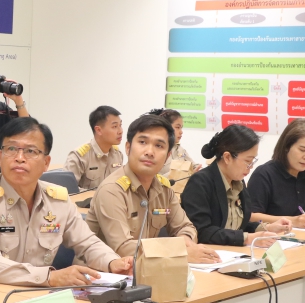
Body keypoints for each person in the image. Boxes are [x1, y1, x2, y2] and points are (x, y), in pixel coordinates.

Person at [0, 117, 132, 286]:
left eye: (30, 151)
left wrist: (113, 262)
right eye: (11, 149)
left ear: (46, 163)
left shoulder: (58, 200)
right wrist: (49, 277)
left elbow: (87, 243)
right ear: (0, 157)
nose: (19, 157)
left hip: (35, 294)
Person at [86, 114, 221, 264]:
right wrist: (179, 252)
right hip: (99, 273)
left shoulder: (163, 189)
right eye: (142, 142)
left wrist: (186, 240)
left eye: (159, 146)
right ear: (128, 148)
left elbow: (185, 226)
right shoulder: (112, 190)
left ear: (168, 156)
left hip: (147, 269)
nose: (150, 152)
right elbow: (123, 248)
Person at [181, 125, 291, 247]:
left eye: (253, 161)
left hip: (233, 252)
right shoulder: (200, 183)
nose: (251, 167)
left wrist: (267, 228)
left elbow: (238, 225)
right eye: (248, 161)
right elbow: (203, 231)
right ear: (227, 157)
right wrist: (249, 238)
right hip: (209, 253)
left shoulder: (238, 181)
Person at [247, 119, 305, 228]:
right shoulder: (264, 174)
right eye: (302, 150)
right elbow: (251, 216)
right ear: (286, 147)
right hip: (272, 236)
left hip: (304, 236)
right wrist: (293, 221)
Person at [63, 105, 124, 189]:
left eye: (120, 125)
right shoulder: (79, 157)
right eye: (115, 126)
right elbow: (69, 190)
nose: (120, 131)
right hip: (88, 198)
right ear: (98, 130)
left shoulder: (118, 154)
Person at [147, 109, 201, 176]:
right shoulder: (156, 149)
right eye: (177, 127)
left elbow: (194, 166)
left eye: (181, 128)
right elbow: (152, 177)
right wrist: (180, 174)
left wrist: (199, 170)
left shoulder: (180, 149)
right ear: (166, 127)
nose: (181, 132)